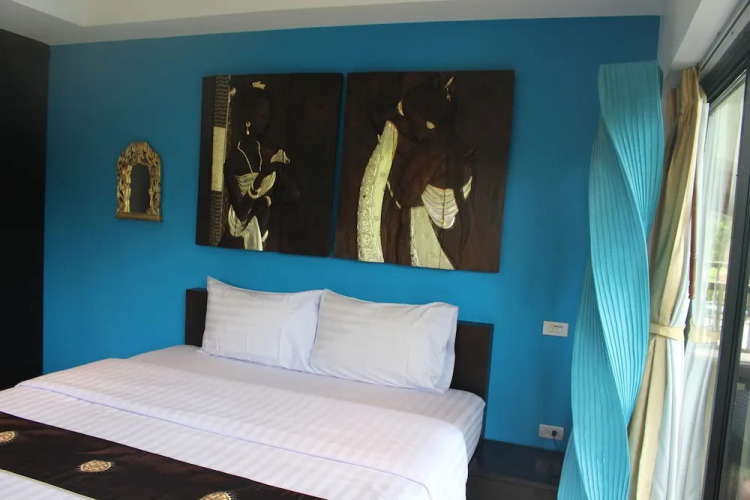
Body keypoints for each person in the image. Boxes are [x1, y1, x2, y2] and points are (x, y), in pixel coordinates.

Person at [220, 80, 297, 250]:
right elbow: (241, 213)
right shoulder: (235, 159)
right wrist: (261, 177)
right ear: (248, 117)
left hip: (262, 238)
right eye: (262, 116)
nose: (266, 121)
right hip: (239, 239)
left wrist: (267, 201)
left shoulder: (267, 154)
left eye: (267, 116)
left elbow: (293, 192)